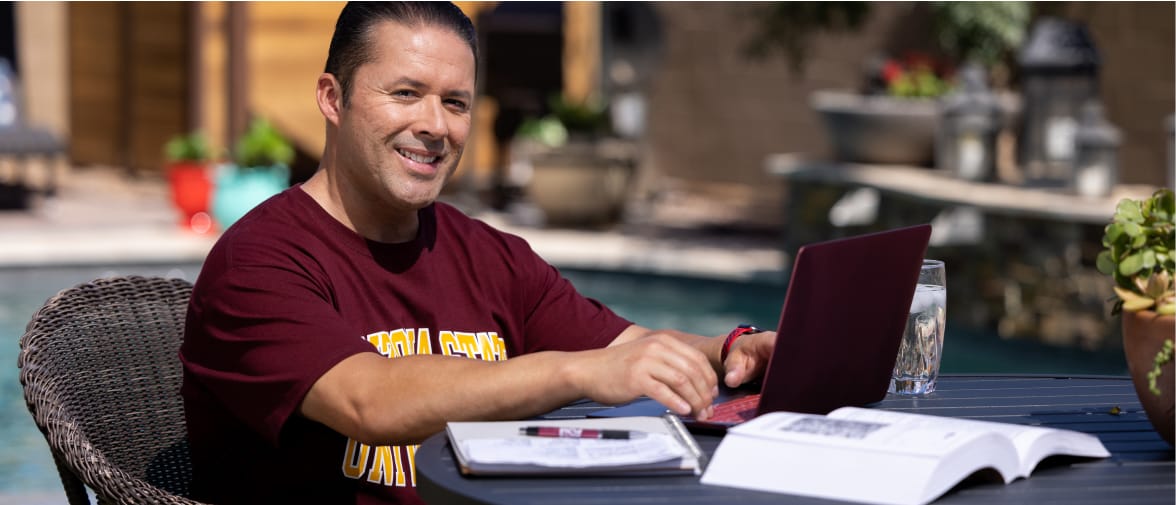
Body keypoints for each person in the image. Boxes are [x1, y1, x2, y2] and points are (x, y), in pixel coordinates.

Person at [179, 3, 777, 504]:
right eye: (406, 93)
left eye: (456, 102)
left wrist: (732, 349)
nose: (435, 125)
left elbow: (627, 348)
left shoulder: (488, 254)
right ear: (333, 98)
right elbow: (369, 402)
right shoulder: (259, 261)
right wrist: (572, 371)